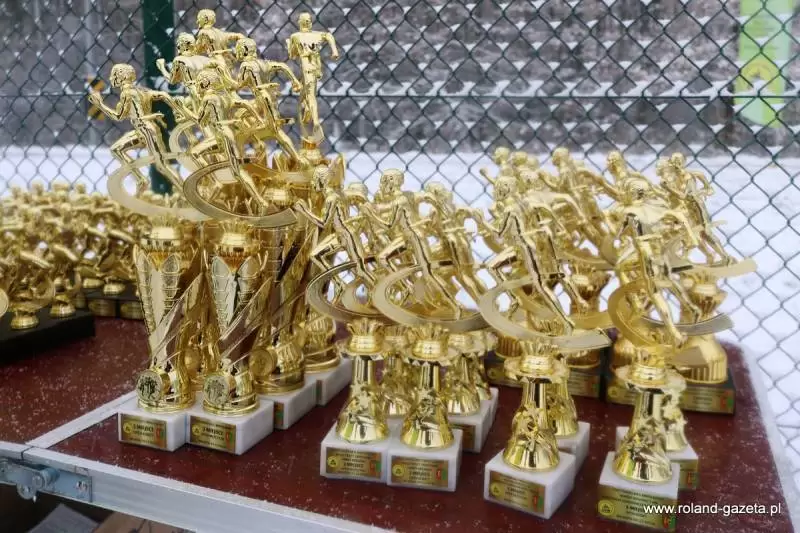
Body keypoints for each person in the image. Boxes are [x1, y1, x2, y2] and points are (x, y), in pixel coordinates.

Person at [88, 63, 181, 193]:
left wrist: (100, 105)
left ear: (122, 76)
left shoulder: (126, 93)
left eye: (114, 75)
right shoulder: (141, 90)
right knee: (117, 150)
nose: (111, 78)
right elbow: (162, 95)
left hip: (144, 129)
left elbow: (118, 117)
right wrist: (179, 110)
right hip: (145, 129)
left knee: (161, 166)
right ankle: (141, 179)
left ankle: (184, 190)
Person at [286, 13, 339, 138]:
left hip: (308, 69)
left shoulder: (296, 36)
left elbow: (292, 55)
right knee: (308, 93)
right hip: (314, 69)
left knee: (310, 95)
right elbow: (329, 36)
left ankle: (315, 121)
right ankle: (308, 110)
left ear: (300, 22)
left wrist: (289, 44)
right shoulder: (315, 35)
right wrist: (334, 51)